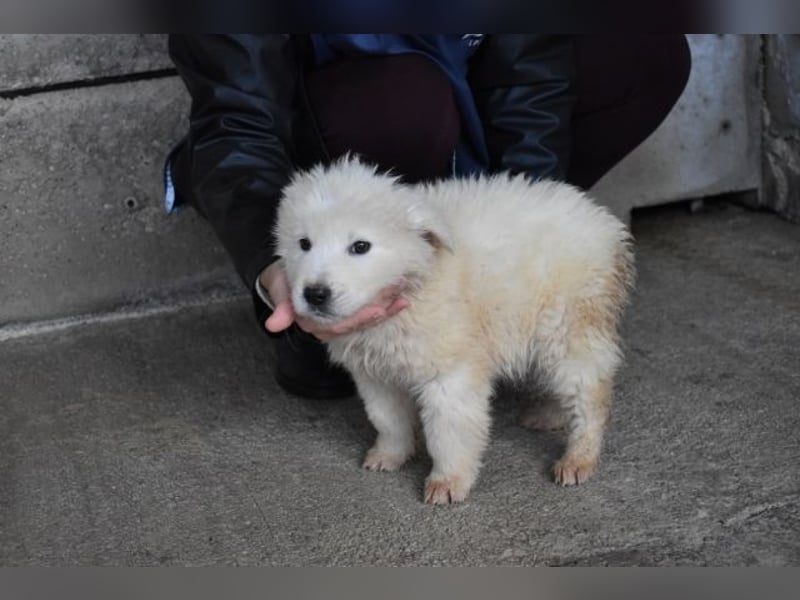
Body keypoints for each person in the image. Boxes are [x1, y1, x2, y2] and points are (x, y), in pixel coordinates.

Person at [165, 34, 691, 399]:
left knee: (643, 51)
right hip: (342, 122)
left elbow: (531, 75)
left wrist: (520, 254)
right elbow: (236, 121)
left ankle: (457, 308)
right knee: (405, 105)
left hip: (462, 111)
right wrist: (275, 267)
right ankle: (324, 332)